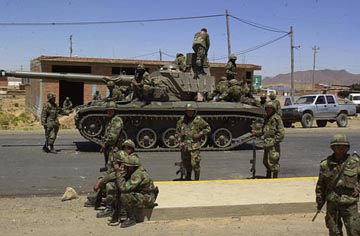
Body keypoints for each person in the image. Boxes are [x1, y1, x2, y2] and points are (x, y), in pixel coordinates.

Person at [315, 134, 360, 236]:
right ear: (333, 148)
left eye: (344, 147)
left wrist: (358, 188)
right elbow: (320, 185)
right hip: (333, 204)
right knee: (335, 232)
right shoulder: (325, 165)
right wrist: (319, 202)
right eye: (338, 146)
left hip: (349, 203)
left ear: (347, 148)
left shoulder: (355, 163)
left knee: (355, 231)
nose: (341, 149)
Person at [94, 139, 138, 220]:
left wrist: (100, 182)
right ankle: (103, 202)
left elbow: (118, 174)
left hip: (131, 184)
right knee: (108, 183)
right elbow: (110, 172)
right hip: (124, 181)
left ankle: (113, 209)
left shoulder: (132, 159)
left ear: (131, 149)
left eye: (128, 148)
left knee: (109, 185)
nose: (126, 150)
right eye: (125, 147)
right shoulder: (122, 157)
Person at [114, 152, 157, 228]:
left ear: (131, 167)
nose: (124, 168)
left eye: (126, 166)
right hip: (143, 194)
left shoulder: (137, 175)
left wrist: (118, 173)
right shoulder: (135, 171)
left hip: (148, 198)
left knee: (125, 195)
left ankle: (131, 218)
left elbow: (123, 188)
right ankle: (122, 212)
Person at [176, 103, 211, 180]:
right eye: (188, 111)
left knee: (195, 164)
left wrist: (200, 134)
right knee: (187, 164)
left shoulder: (198, 120)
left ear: (194, 111)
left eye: (191, 111)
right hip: (184, 146)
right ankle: (188, 179)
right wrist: (179, 142)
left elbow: (208, 128)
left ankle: (196, 179)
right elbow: (177, 132)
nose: (190, 113)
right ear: (186, 111)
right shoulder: (182, 120)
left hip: (195, 146)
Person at [260, 101, 285, 178]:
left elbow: (281, 132)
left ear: (273, 109)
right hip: (266, 142)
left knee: (274, 160)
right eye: (267, 109)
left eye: (270, 109)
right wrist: (257, 133)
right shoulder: (266, 118)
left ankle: (274, 176)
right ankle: (268, 174)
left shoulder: (276, 118)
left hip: (273, 144)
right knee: (265, 161)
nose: (268, 110)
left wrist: (275, 141)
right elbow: (264, 130)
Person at [100, 101, 124, 167]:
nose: (109, 112)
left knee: (113, 168)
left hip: (114, 148)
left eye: (111, 110)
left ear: (114, 111)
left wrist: (105, 144)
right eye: (108, 110)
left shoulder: (116, 120)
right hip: (110, 148)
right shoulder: (111, 120)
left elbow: (113, 136)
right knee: (109, 166)